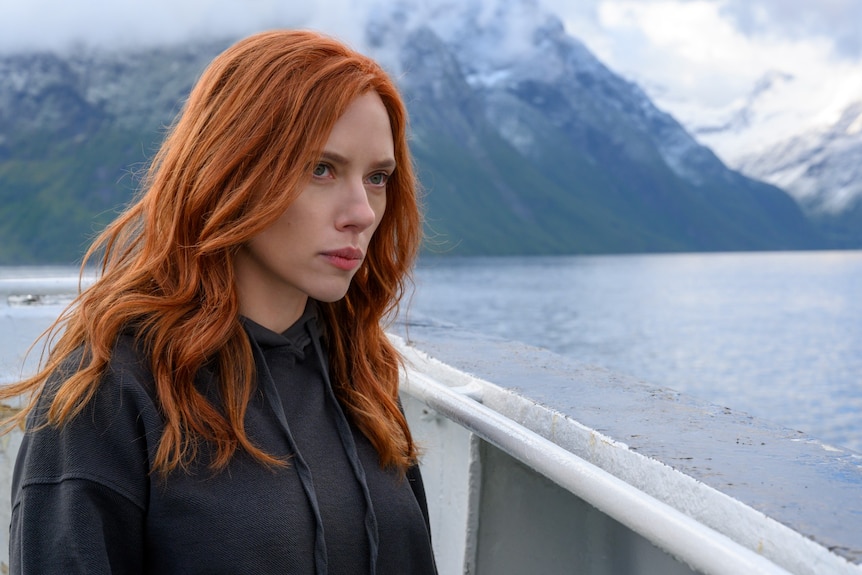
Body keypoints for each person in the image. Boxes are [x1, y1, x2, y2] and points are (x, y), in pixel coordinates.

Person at [2, 30, 437, 574]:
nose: (363, 211)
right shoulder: (112, 395)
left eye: (377, 178)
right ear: (233, 170)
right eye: (321, 169)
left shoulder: (359, 372)